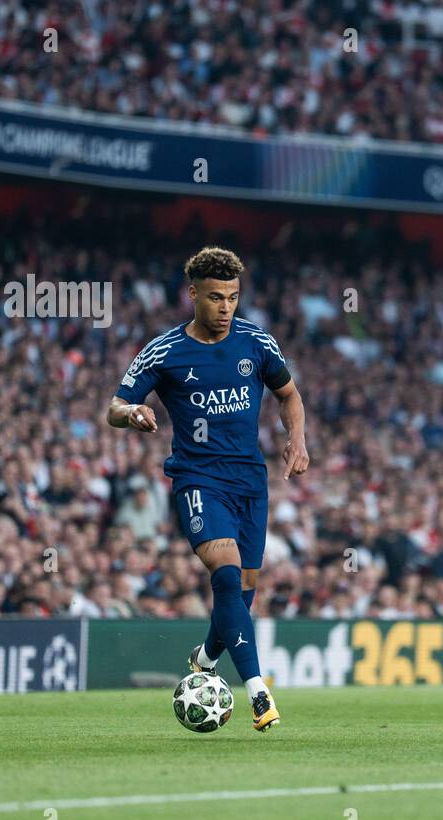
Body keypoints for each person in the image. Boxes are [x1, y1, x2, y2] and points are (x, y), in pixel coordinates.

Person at [107, 247, 309, 731]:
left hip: (250, 482)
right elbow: (115, 404)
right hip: (198, 479)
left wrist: (296, 440)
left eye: (234, 298)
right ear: (193, 293)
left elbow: (289, 394)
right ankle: (259, 692)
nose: (226, 308)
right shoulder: (165, 351)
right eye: (216, 297)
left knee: (242, 592)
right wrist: (133, 414)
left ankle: (206, 657)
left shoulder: (257, 343)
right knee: (225, 569)